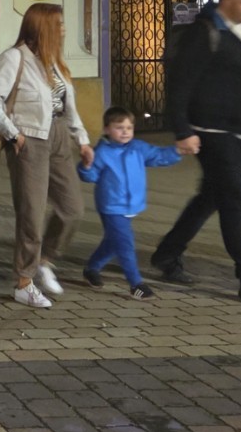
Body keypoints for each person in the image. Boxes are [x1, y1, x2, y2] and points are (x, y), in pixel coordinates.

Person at [151, 0, 241, 307]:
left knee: (211, 196)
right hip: (211, 131)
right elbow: (180, 84)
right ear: (228, 0)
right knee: (234, 199)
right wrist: (182, 130)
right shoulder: (204, 32)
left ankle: (167, 253)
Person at [0, 3, 94, 308]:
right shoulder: (14, 58)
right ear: (42, 27)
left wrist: (82, 140)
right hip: (29, 140)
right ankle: (24, 282)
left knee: (72, 209)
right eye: (58, 24)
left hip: (59, 136)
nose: (63, 29)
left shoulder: (55, 62)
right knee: (32, 215)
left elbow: (67, 106)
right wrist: (13, 134)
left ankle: (44, 260)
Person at [78, 106, 186, 299]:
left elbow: (158, 156)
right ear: (106, 129)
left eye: (129, 127)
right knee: (125, 243)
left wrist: (178, 151)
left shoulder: (138, 148)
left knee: (113, 242)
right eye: (119, 127)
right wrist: (86, 166)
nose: (125, 132)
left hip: (131, 205)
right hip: (111, 207)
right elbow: (90, 176)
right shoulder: (101, 152)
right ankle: (136, 284)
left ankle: (92, 268)